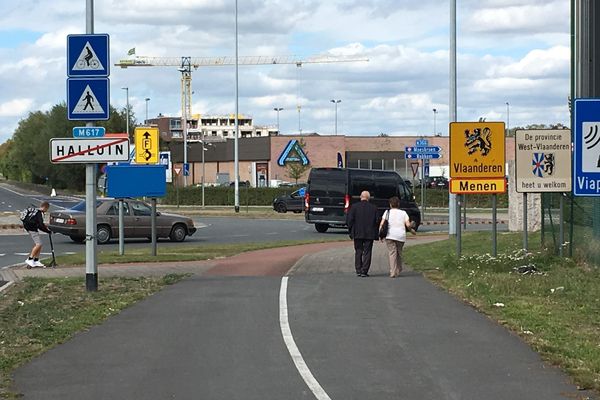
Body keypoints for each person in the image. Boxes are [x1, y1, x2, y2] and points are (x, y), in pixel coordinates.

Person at [380, 196, 416, 278]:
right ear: (398, 204)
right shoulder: (403, 213)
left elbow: (382, 224)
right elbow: (408, 225)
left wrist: (380, 234)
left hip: (390, 235)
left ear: (390, 204)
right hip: (400, 235)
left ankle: (393, 271)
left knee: (392, 253)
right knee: (399, 252)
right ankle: (398, 269)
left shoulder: (387, 212)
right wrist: (412, 230)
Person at [347, 190, 379, 277]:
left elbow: (350, 220)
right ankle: (364, 270)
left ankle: (358, 269)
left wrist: (350, 230)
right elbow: (377, 221)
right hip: (369, 233)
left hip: (357, 232)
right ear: (368, 198)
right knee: (367, 252)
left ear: (361, 197)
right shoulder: (374, 208)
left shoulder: (354, 207)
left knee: (358, 251)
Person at [24, 201, 52, 268]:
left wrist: (46, 230)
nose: (46, 211)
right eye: (47, 209)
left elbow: (39, 224)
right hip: (32, 229)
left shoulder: (35, 211)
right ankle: (30, 259)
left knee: (40, 244)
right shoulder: (39, 213)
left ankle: (36, 260)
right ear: (45, 207)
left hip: (29, 227)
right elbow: (40, 225)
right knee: (38, 244)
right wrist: (47, 231)